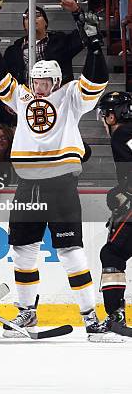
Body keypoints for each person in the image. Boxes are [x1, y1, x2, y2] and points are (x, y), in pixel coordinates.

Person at [0, 5, 109, 338]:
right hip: (27, 185)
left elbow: (96, 81)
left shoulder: (70, 97)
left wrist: (94, 47)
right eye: (35, 80)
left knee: (70, 251)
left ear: (57, 81)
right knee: (23, 250)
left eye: (45, 80)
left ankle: (91, 315)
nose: (39, 86)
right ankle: (26, 313)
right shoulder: (22, 98)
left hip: (60, 184)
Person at [94, 91, 132, 340]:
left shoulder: (122, 132)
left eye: (105, 112)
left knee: (112, 253)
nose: (103, 117)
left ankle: (115, 318)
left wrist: (124, 192)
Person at [4, 1, 84, 86]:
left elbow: (85, 34)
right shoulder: (12, 52)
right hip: (25, 97)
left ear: (46, 22)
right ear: (24, 25)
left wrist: (77, 11)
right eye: (27, 17)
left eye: (37, 15)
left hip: (57, 96)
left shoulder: (61, 42)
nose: (32, 18)